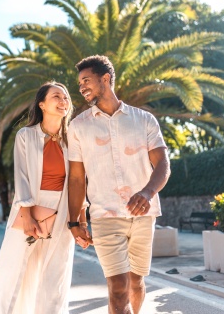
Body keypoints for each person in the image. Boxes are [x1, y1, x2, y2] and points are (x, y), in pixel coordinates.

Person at [67, 55, 171, 314]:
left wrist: (147, 192)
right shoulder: (78, 127)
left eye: (86, 80)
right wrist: (75, 221)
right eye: (80, 83)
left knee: (136, 281)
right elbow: (78, 178)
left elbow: (163, 165)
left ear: (106, 79)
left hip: (143, 214)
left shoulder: (144, 120)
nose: (81, 87)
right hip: (104, 215)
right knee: (117, 287)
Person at [0, 81, 88, 314]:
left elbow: (80, 182)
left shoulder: (74, 139)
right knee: (15, 270)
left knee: (55, 275)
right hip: (30, 209)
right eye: (56, 97)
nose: (63, 101)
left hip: (65, 211)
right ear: (42, 104)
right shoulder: (25, 136)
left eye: (66, 98)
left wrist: (82, 221)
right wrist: (26, 215)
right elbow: (22, 177)